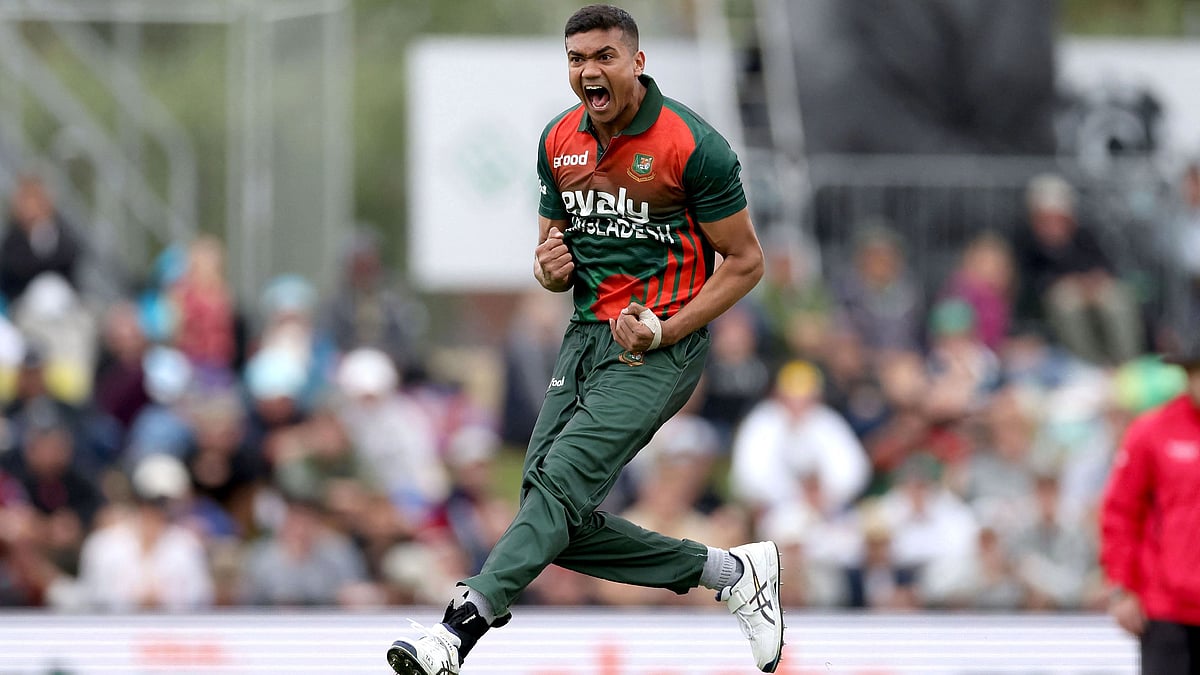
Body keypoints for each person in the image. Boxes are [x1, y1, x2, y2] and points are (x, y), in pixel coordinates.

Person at [386, 5, 782, 674]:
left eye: (603, 56)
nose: (589, 71)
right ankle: (729, 571)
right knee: (550, 513)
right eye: (576, 59)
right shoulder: (558, 140)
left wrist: (668, 324)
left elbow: (746, 262)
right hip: (585, 339)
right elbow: (548, 254)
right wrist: (546, 268)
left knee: (558, 484)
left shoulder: (692, 144)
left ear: (637, 62)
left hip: (661, 346)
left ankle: (458, 627)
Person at [1100, 342, 1200, 673]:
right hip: (1166, 606)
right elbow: (1120, 513)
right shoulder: (1151, 432)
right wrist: (1121, 587)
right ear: (1188, 376)